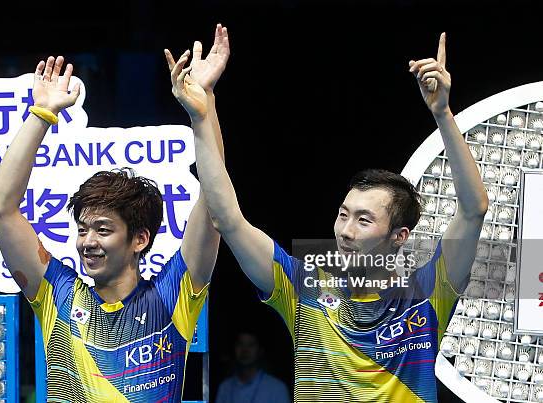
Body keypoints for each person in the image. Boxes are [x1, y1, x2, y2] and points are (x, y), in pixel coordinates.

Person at [167, 31, 487, 402]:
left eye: (363, 220)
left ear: (399, 235)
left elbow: (473, 208)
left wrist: (442, 113)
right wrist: (202, 112)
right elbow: (228, 219)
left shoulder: (427, 296)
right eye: (343, 215)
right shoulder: (305, 291)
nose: (345, 232)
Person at [0, 25, 229, 402]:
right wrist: (42, 114)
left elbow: (217, 205)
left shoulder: (172, 296)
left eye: (102, 230)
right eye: (82, 230)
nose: (88, 242)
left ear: (140, 239)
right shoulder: (58, 297)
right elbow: (0, 208)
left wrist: (203, 111)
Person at [216, 330, 290, 403]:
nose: (244, 350)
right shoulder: (225, 387)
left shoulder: (277, 388)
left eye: (251, 345)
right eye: (240, 344)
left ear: (260, 350)